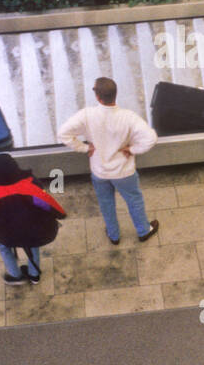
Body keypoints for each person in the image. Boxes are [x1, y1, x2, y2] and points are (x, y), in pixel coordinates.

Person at [58, 77, 159, 246]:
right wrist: (132, 149)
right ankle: (143, 231)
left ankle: (114, 235)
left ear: (98, 97)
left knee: (106, 203)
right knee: (134, 200)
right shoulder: (129, 117)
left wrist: (84, 148)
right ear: (115, 95)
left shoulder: (87, 115)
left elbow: (63, 133)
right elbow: (151, 138)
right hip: (124, 172)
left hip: (99, 171)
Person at [0, 153, 67, 285]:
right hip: (32, 232)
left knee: (3, 247)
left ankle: (15, 275)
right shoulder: (29, 187)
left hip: (6, 235)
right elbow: (50, 205)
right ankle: (34, 275)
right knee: (33, 246)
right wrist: (61, 215)